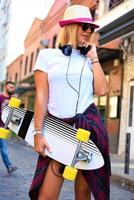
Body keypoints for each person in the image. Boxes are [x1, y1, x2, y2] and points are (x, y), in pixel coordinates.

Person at [29, 5, 111, 200]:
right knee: (46, 196)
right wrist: (38, 134)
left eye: (91, 28)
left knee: (83, 195)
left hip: (88, 132)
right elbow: (42, 98)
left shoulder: (89, 58)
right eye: (84, 27)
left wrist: (94, 58)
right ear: (71, 27)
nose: (89, 32)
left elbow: (101, 90)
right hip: (58, 131)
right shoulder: (47, 56)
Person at [0, 81, 17, 174]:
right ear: (6, 87)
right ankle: (9, 166)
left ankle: (9, 166)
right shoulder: (0, 97)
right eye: (11, 87)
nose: (12, 89)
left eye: (13, 87)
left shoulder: (12, 100)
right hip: (0, 126)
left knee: (3, 147)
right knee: (3, 147)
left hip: (5, 128)